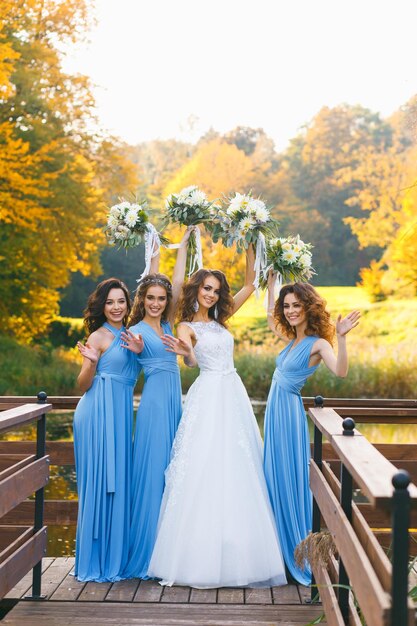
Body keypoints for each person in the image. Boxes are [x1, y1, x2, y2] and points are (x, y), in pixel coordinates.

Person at [147, 247, 287, 589]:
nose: (211, 294)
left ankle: (239, 552)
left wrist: (253, 238)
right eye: (205, 288)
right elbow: (190, 362)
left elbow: (251, 284)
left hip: (233, 394)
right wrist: (189, 352)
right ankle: (198, 557)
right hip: (208, 394)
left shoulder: (222, 320)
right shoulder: (185, 325)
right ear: (195, 290)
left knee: (239, 467)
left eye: (215, 289)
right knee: (204, 467)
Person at [263, 274, 360, 585]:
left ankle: (298, 554)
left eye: (297, 305)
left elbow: (341, 372)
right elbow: (269, 319)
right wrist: (270, 286)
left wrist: (342, 337)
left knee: (289, 477)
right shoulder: (290, 338)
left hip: (289, 415)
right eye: (287, 306)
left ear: (309, 308)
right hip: (274, 414)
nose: (291, 311)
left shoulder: (317, 343)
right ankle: (277, 549)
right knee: (272, 475)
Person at [122, 227, 193, 579]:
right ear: (142, 298)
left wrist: (185, 242)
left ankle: (171, 550)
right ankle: (148, 552)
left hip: (174, 405)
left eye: (161, 298)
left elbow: (177, 282)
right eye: (150, 297)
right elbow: (126, 365)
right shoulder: (135, 329)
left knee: (173, 471)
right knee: (152, 472)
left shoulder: (169, 323)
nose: (156, 302)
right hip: (152, 406)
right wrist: (136, 354)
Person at [73, 278, 143, 582]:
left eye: (121, 301)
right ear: (102, 305)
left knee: (118, 482)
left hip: (121, 413)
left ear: (128, 304)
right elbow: (82, 386)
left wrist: (140, 351)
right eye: (110, 302)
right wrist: (91, 363)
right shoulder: (97, 337)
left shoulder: (132, 335)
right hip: (97, 411)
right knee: (99, 483)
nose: (116, 307)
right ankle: (95, 560)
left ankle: (116, 555)